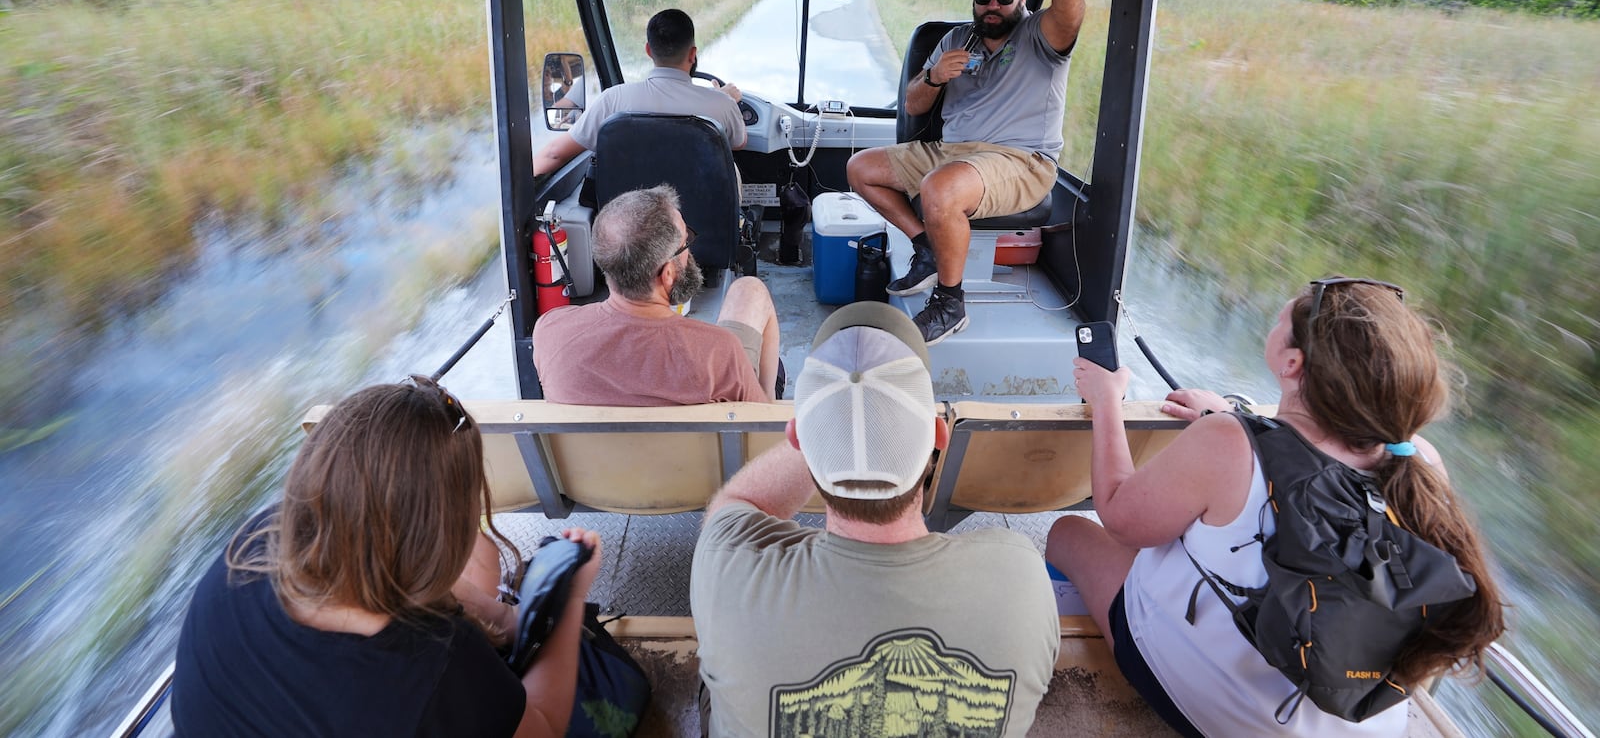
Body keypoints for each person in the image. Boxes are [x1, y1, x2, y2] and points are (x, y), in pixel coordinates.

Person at [1044, 278, 1505, 738]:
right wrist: (1220, 416)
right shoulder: (1420, 459)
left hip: (1239, 718)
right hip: (1359, 721)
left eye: (1280, 321)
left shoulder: (1229, 441)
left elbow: (1119, 515)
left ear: (1291, 362)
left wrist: (1106, 399)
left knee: (1069, 532)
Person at [691, 302, 1059, 738]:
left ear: (796, 439)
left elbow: (734, 507)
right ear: (939, 436)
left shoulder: (729, 572)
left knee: (716, 662)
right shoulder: (1019, 575)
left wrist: (825, 425)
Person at [172, 379, 604, 738]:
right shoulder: (437, 665)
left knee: (483, 556)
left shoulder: (258, 540)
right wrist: (567, 605)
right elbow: (543, 727)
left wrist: (510, 620)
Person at [846, 0, 1085, 345]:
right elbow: (913, 103)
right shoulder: (956, 39)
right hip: (951, 152)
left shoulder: (1040, 35)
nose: (991, 6)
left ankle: (950, 302)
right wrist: (935, 75)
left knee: (939, 188)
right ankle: (926, 247)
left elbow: (1070, 15)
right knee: (860, 168)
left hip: (1020, 159)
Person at [534, 185, 781, 404]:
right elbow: (754, 426)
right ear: (668, 274)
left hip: (597, 455)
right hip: (699, 455)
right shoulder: (719, 352)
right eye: (686, 242)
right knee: (749, 290)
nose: (690, 251)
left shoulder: (550, 331)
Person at [533, 8, 746, 176]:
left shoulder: (613, 100)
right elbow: (738, 143)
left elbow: (554, 154)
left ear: (648, 50)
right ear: (692, 54)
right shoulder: (721, 104)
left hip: (629, 226)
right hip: (704, 225)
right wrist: (725, 99)